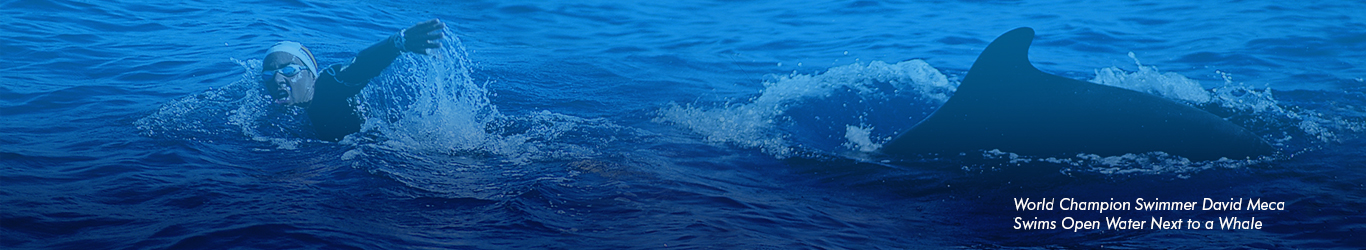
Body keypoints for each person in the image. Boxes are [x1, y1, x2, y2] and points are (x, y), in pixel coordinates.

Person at [260, 19, 446, 141]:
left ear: (310, 74)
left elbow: (358, 68)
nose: (277, 79)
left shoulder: (327, 86)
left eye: (289, 70)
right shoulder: (280, 109)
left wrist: (396, 44)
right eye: (268, 74)